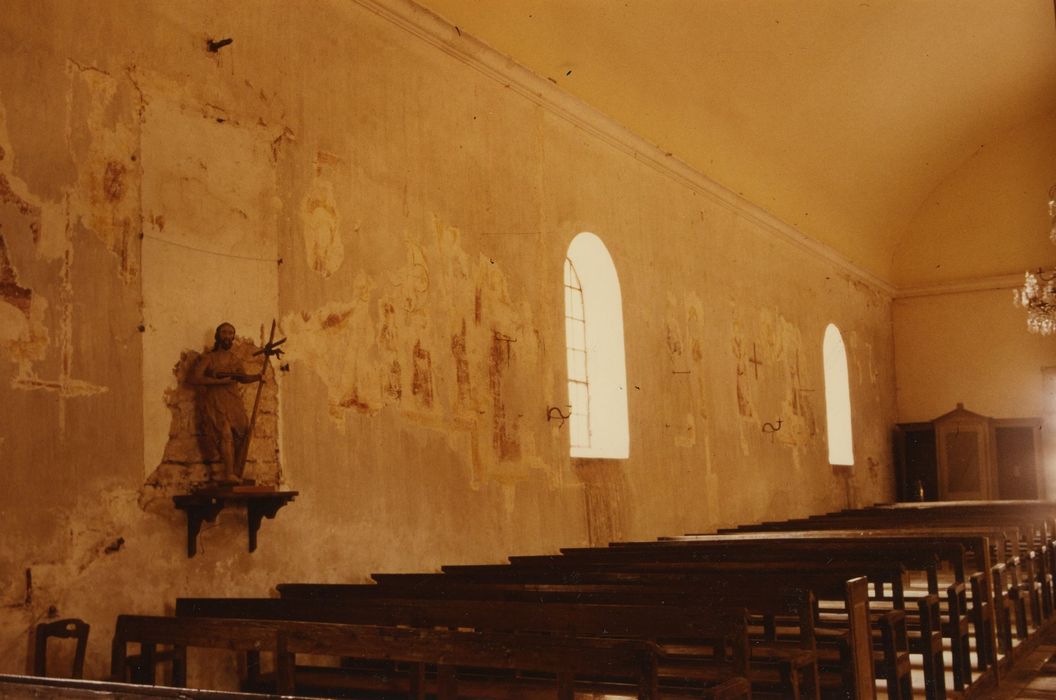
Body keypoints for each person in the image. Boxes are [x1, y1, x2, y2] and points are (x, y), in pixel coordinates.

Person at [187, 322, 261, 484]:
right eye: (224, 332)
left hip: (233, 399)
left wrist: (258, 377)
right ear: (218, 336)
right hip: (216, 400)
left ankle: (236, 472)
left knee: (243, 433)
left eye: (230, 333)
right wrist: (218, 382)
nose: (227, 336)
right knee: (225, 434)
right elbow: (194, 378)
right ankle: (228, 474)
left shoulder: (234, 360)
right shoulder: (209, 358)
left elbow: (242, 377)